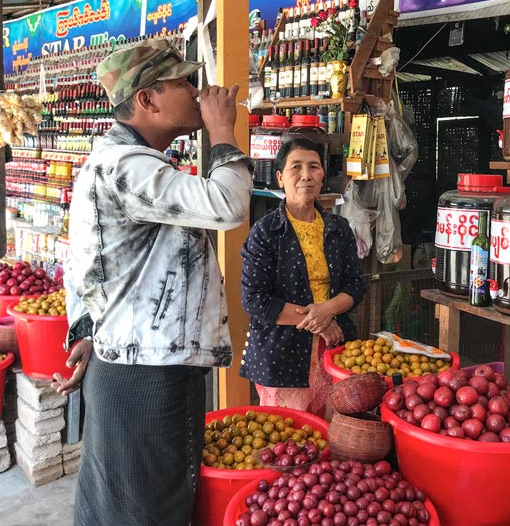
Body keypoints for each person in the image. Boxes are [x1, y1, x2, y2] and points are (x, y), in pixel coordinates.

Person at [50, 38, 254, 526]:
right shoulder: (126, 166)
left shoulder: (125, 162)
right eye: (181, 82)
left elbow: (83, 261)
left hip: (138, 362)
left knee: (131, 505)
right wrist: (224, 131)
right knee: (146, 511)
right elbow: (229, 206)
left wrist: (88, 328)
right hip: (146, 375)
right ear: (146, 100)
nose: (194, 89)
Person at [240, 138, 365, 417]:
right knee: (288, 439)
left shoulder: (339, 228)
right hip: (283, 350)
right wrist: (318, 323)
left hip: (335, 347)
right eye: (296, 167)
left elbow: (356, 284)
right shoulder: (265, 233)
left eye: (314, 167)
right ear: (280, 178)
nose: (306, 175)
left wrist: (329, 310)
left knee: (333, 430)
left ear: (323, 177)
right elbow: (255, 300)